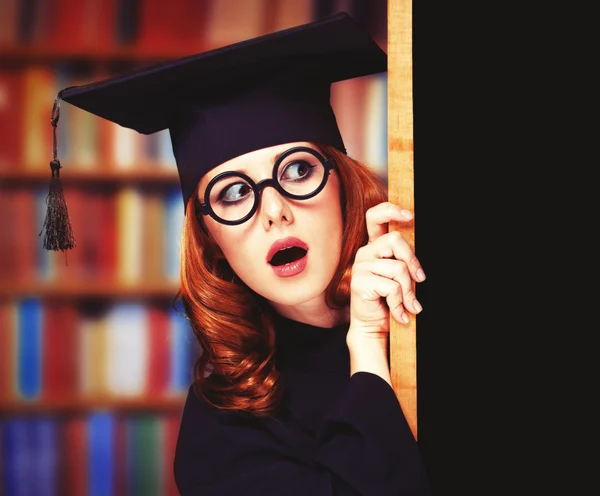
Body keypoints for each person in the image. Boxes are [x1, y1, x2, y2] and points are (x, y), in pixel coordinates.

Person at [51, 11, 431, 496]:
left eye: (297, 170)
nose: (274, 211)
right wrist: (368, 345)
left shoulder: (422, 302)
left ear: (342, 184)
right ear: (210, 237)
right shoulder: (221, 431)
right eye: (233, 194)